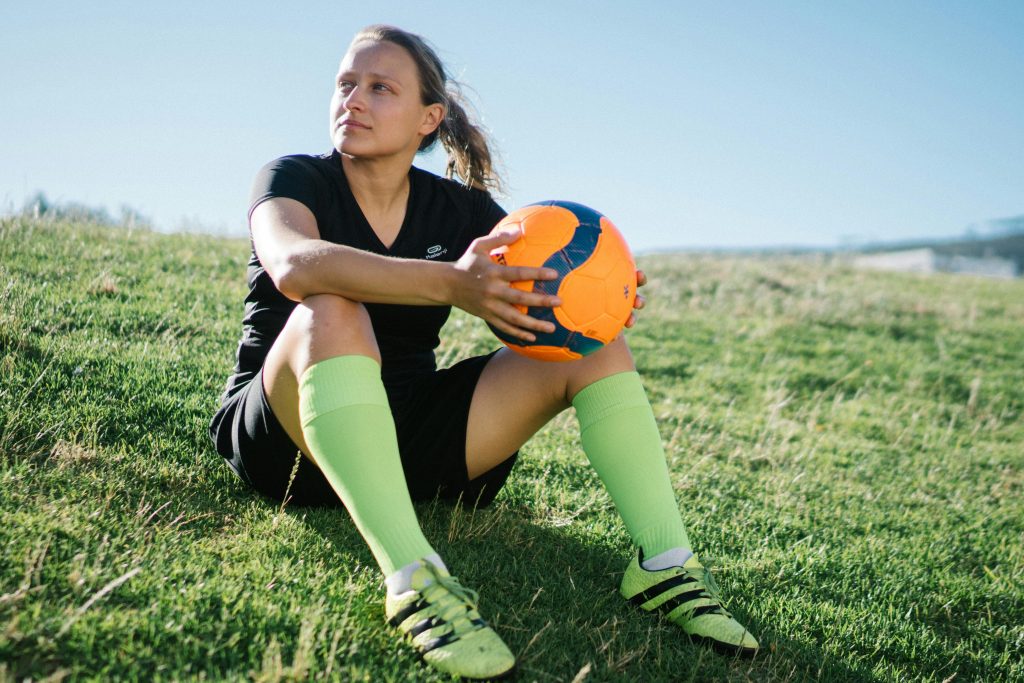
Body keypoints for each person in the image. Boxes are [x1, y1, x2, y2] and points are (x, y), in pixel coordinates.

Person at [209, 24, 759, 680]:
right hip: (286, 440)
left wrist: (597, 297)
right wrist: (452, 283)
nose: (353, 99)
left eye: (380, 87)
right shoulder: (295, 177)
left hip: (408, 434)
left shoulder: (460, 208)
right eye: (346, 83)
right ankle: (417, 582)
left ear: (428, 118)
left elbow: (536, 284)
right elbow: (295, 265)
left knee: (596, 345)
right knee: (332, 307)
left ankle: (665, 567)